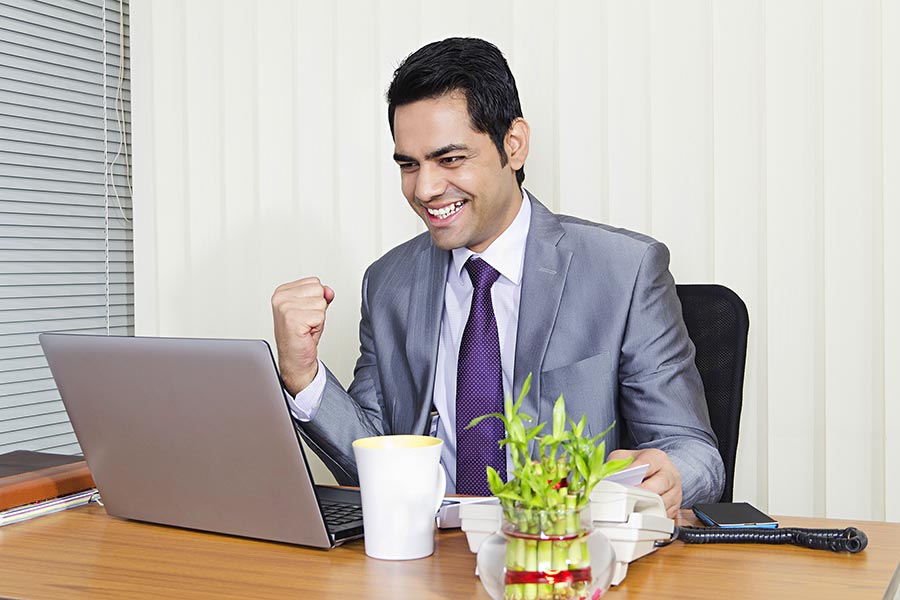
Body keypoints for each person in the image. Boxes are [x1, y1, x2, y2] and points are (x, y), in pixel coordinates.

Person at [272, 37, 724, 517]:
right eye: (409, 164)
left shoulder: (624, 270)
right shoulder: (388, 284)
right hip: (430, 559)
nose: (424, 189)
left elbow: (696, 453)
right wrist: (303, 377)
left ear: (514, 144)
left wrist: (672, 473)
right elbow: (375, 461)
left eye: (450, 159)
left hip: (556, 561)